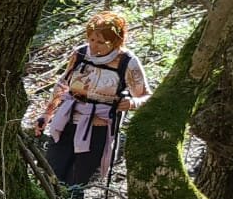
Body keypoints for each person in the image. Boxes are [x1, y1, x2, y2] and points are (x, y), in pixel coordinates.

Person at [34, 10, 150, 189]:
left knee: (77, 181)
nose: (94, 46)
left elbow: (146, 96)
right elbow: (63, 84)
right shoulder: (80, 54)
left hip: (98, 129)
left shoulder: (127, 62)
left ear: (116, 41)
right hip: (66, 122)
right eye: (91, 40)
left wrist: (132, 103)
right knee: (51, 174)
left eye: (101, 42)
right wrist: (46, 115)